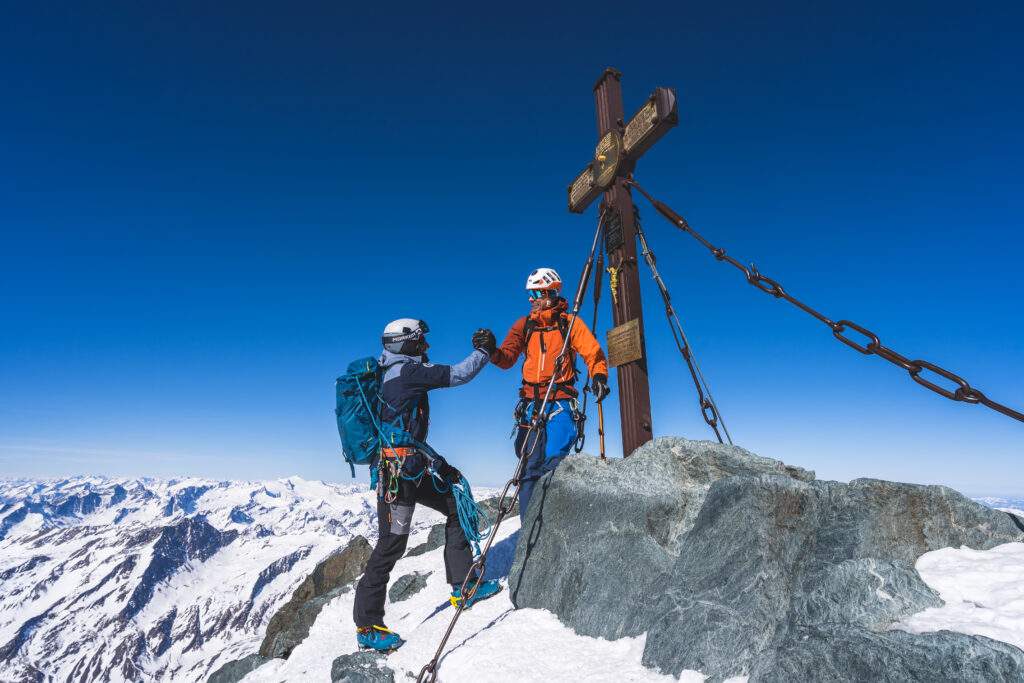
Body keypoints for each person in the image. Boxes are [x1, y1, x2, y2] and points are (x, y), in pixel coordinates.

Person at [353, 318, 501, 652]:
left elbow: (404, 430)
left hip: (409, 469)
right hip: (399, 476)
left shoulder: (387, 372)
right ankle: (367, 626)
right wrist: (483, 351)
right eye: (421, 342)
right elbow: (459, 374)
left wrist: (438, 464)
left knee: (454, 506)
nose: (426, 348)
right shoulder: (407, 372)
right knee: (391, 544)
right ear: (405, 344)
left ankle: (464, 586)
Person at [473, 268, 610, 523]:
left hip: (560, 400)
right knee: (529, 469)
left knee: (555, 463)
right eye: (530, 294)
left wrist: (599, 375)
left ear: (550, 293)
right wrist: (492, 350)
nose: (530, 299)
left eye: (536, 293)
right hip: (531, 403)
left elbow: (593, 353)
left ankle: (553, 527)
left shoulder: (569, 324)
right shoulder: (524, 325)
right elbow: (507, 358)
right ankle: (529, 530)